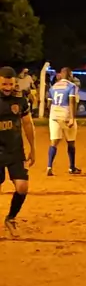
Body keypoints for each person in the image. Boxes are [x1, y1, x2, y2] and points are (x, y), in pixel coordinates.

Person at [0, 67, 36, 235]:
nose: (7, 88)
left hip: (15, 149)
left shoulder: (20, 99)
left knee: (22, 187)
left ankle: (11, 218)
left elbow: (27, 123)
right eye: (4, 84)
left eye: (10, 84)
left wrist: (33, 148)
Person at [47, 67, 81, 176]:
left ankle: (49, 166)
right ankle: (71, 167)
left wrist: (53, 113)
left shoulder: (53, 87)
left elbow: (49, 104)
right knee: (71, 142)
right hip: (65, 115)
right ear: (70, 75)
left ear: (60, 75)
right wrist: (72, 118)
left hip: (54, 115)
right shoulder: (71, 86)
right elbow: (72, 102)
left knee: (54, 142)